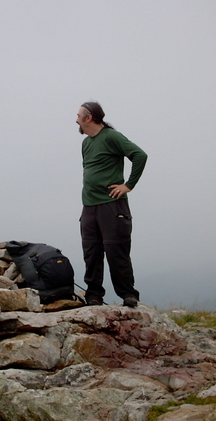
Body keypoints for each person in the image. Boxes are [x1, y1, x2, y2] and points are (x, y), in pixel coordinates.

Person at [76, 101, 148, 308]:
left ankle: (128, 294)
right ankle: (94, 295)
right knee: (91, 251)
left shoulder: (111, 136)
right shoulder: (86, 143)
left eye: (78, 115)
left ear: (88, 118)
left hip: (112, 205)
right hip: (89, 206)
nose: (76, 119)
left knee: (117, 251)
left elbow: (140, 155)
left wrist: (128, 185)